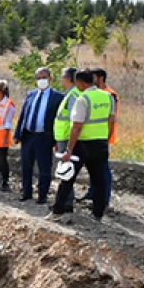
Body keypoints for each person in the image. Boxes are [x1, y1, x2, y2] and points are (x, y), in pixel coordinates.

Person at [48, 69, 116, 223]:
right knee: (99, 180)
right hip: (100, 144)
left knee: (68, 177)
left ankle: (57, 210)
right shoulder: (108, 97)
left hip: (83, 145)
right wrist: (105, 139)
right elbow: (111, 121)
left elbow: (76, 127)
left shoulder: (83, 99)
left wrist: (69, 149)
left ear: (80, 82)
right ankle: (97, 214)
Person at [14, 67, 64, 204]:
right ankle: (26, 192)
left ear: (50, 78)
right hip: (28, 135)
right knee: (26, 165)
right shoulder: (30, 95)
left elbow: (59, 120)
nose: (41, 80)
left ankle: (42, 195)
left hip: (45, 137)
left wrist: (56, 140)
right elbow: (23, 115)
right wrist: (17, 133)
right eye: (38, 78)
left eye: (43, 77)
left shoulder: (58, 97)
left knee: (44, 167)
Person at [82, 68, 118, 206]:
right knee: (95, 169)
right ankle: (92, 194)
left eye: (93, 78)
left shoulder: (110, 95)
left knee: (103, 169)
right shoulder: (97, 94)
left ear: (100, 78)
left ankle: (104, 199)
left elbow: (111, 118)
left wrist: (106, 138)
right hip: (93, 138)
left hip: (103, 138)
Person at [52, 67, 80, 213]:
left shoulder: (73, 95)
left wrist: (69, 142)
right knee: (65, 171)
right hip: (62, 138)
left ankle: (66, 203)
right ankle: (64, 201)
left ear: (68, 79)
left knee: (66, 171)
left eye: (63, 77)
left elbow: (73, 120)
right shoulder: (69, 94)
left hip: (66, 138)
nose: (61, 80)